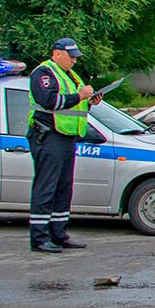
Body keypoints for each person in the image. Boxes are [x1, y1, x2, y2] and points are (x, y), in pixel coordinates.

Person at [28, 38, 94, 253]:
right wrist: (79, 96)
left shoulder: (70, 75)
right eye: (71, 56)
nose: (74, 61)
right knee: (46, 186)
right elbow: (50, 101)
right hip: (48, 136)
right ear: (57, 53)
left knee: (63, 187)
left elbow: (74, 106)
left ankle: (58, 234)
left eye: (76, 57)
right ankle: (39, 238)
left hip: (67, 136)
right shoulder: (43, 73)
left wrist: (90, 101)